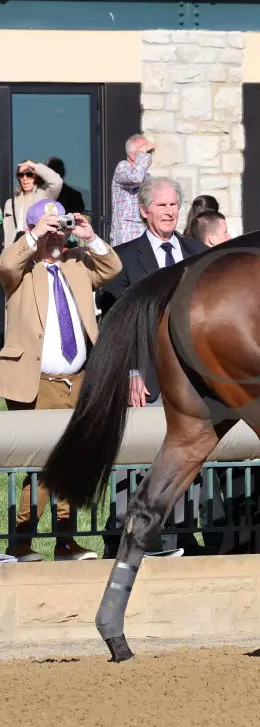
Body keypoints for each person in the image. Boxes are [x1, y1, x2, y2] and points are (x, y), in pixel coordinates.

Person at [0, 198, 121, 562]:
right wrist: (35, 234)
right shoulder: (22, 270)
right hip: (38, 382)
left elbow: (112, 267)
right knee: (42, 465)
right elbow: (6, 264)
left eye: (59, 226)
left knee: (71, 461)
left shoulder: (76, 264)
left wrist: (89, 236)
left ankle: (65, 542)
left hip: (77, 379)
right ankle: (20, 542)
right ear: (34, 229)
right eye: (48, 227)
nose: (56, 234)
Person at [100, 177, 207, 407]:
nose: (170, 212)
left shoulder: (200, 253)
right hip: (148, 381)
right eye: (161, 205)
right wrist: (129, 371)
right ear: (144, 210)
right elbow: (116, 324)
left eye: (173, 205)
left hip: (200, 379)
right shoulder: (122, 259)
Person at [3, 159, 63, 251]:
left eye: (29, 174)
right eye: (21, 175)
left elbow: (57, 182)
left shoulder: (44, 195)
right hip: (13, 251)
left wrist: (35, 166)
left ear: (36, 176)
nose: (25, 178)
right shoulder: (10, 203)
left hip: (36, 250)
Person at [110, 134, 155, 246]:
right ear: (132, 154)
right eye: (146, 152)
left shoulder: (148, 176)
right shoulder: (122, 168)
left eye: (150, 153)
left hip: (144, 235)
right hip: (126, 238)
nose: (149, 156)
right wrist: (144, 155)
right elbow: (135, 178)